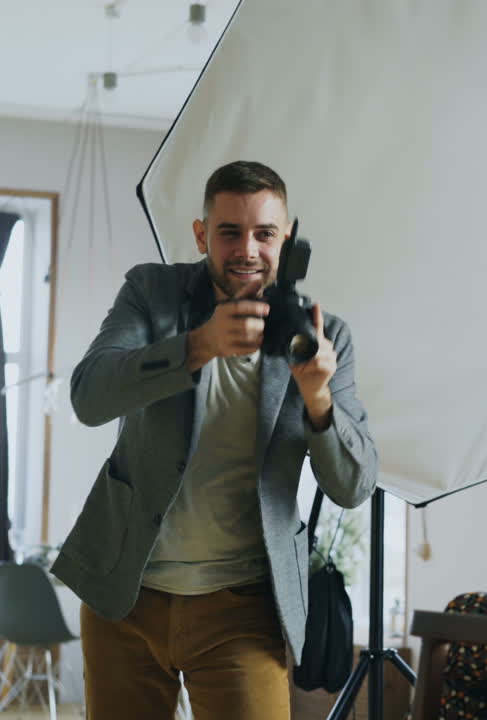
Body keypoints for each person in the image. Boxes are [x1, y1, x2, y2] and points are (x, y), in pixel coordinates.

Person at [51, 161, 378, 719]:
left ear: (288, 239)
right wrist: (196, 347)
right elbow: (88, 396)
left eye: (264, 234)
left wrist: (319, 400)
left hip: (245, 608)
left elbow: (353, 486)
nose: (246, 249)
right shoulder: (152, 293)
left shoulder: (325, 336)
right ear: (202, 234)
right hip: (126, 594)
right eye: (229, 232)